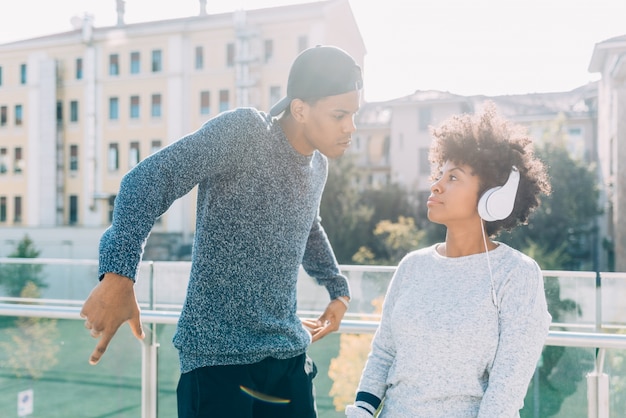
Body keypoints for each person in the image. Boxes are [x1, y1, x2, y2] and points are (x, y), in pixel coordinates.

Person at [80, 45, 362, 418]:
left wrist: (338, 291)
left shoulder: (318, 167)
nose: (350, 128)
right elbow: (148, 180)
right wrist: (119, 274)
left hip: (287, 359)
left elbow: (309, 226)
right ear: (300, 109)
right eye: (339, 115)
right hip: (218, 365)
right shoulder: (245, 132)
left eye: (354, 114)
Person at [345, 102, 553, 418]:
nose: (436, 184)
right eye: (440, 173)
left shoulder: (517, 275)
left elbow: (505, 392)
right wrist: (361, 409)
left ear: (493, 197)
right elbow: (384, 352)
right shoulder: (412, 266)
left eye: (453, 178)